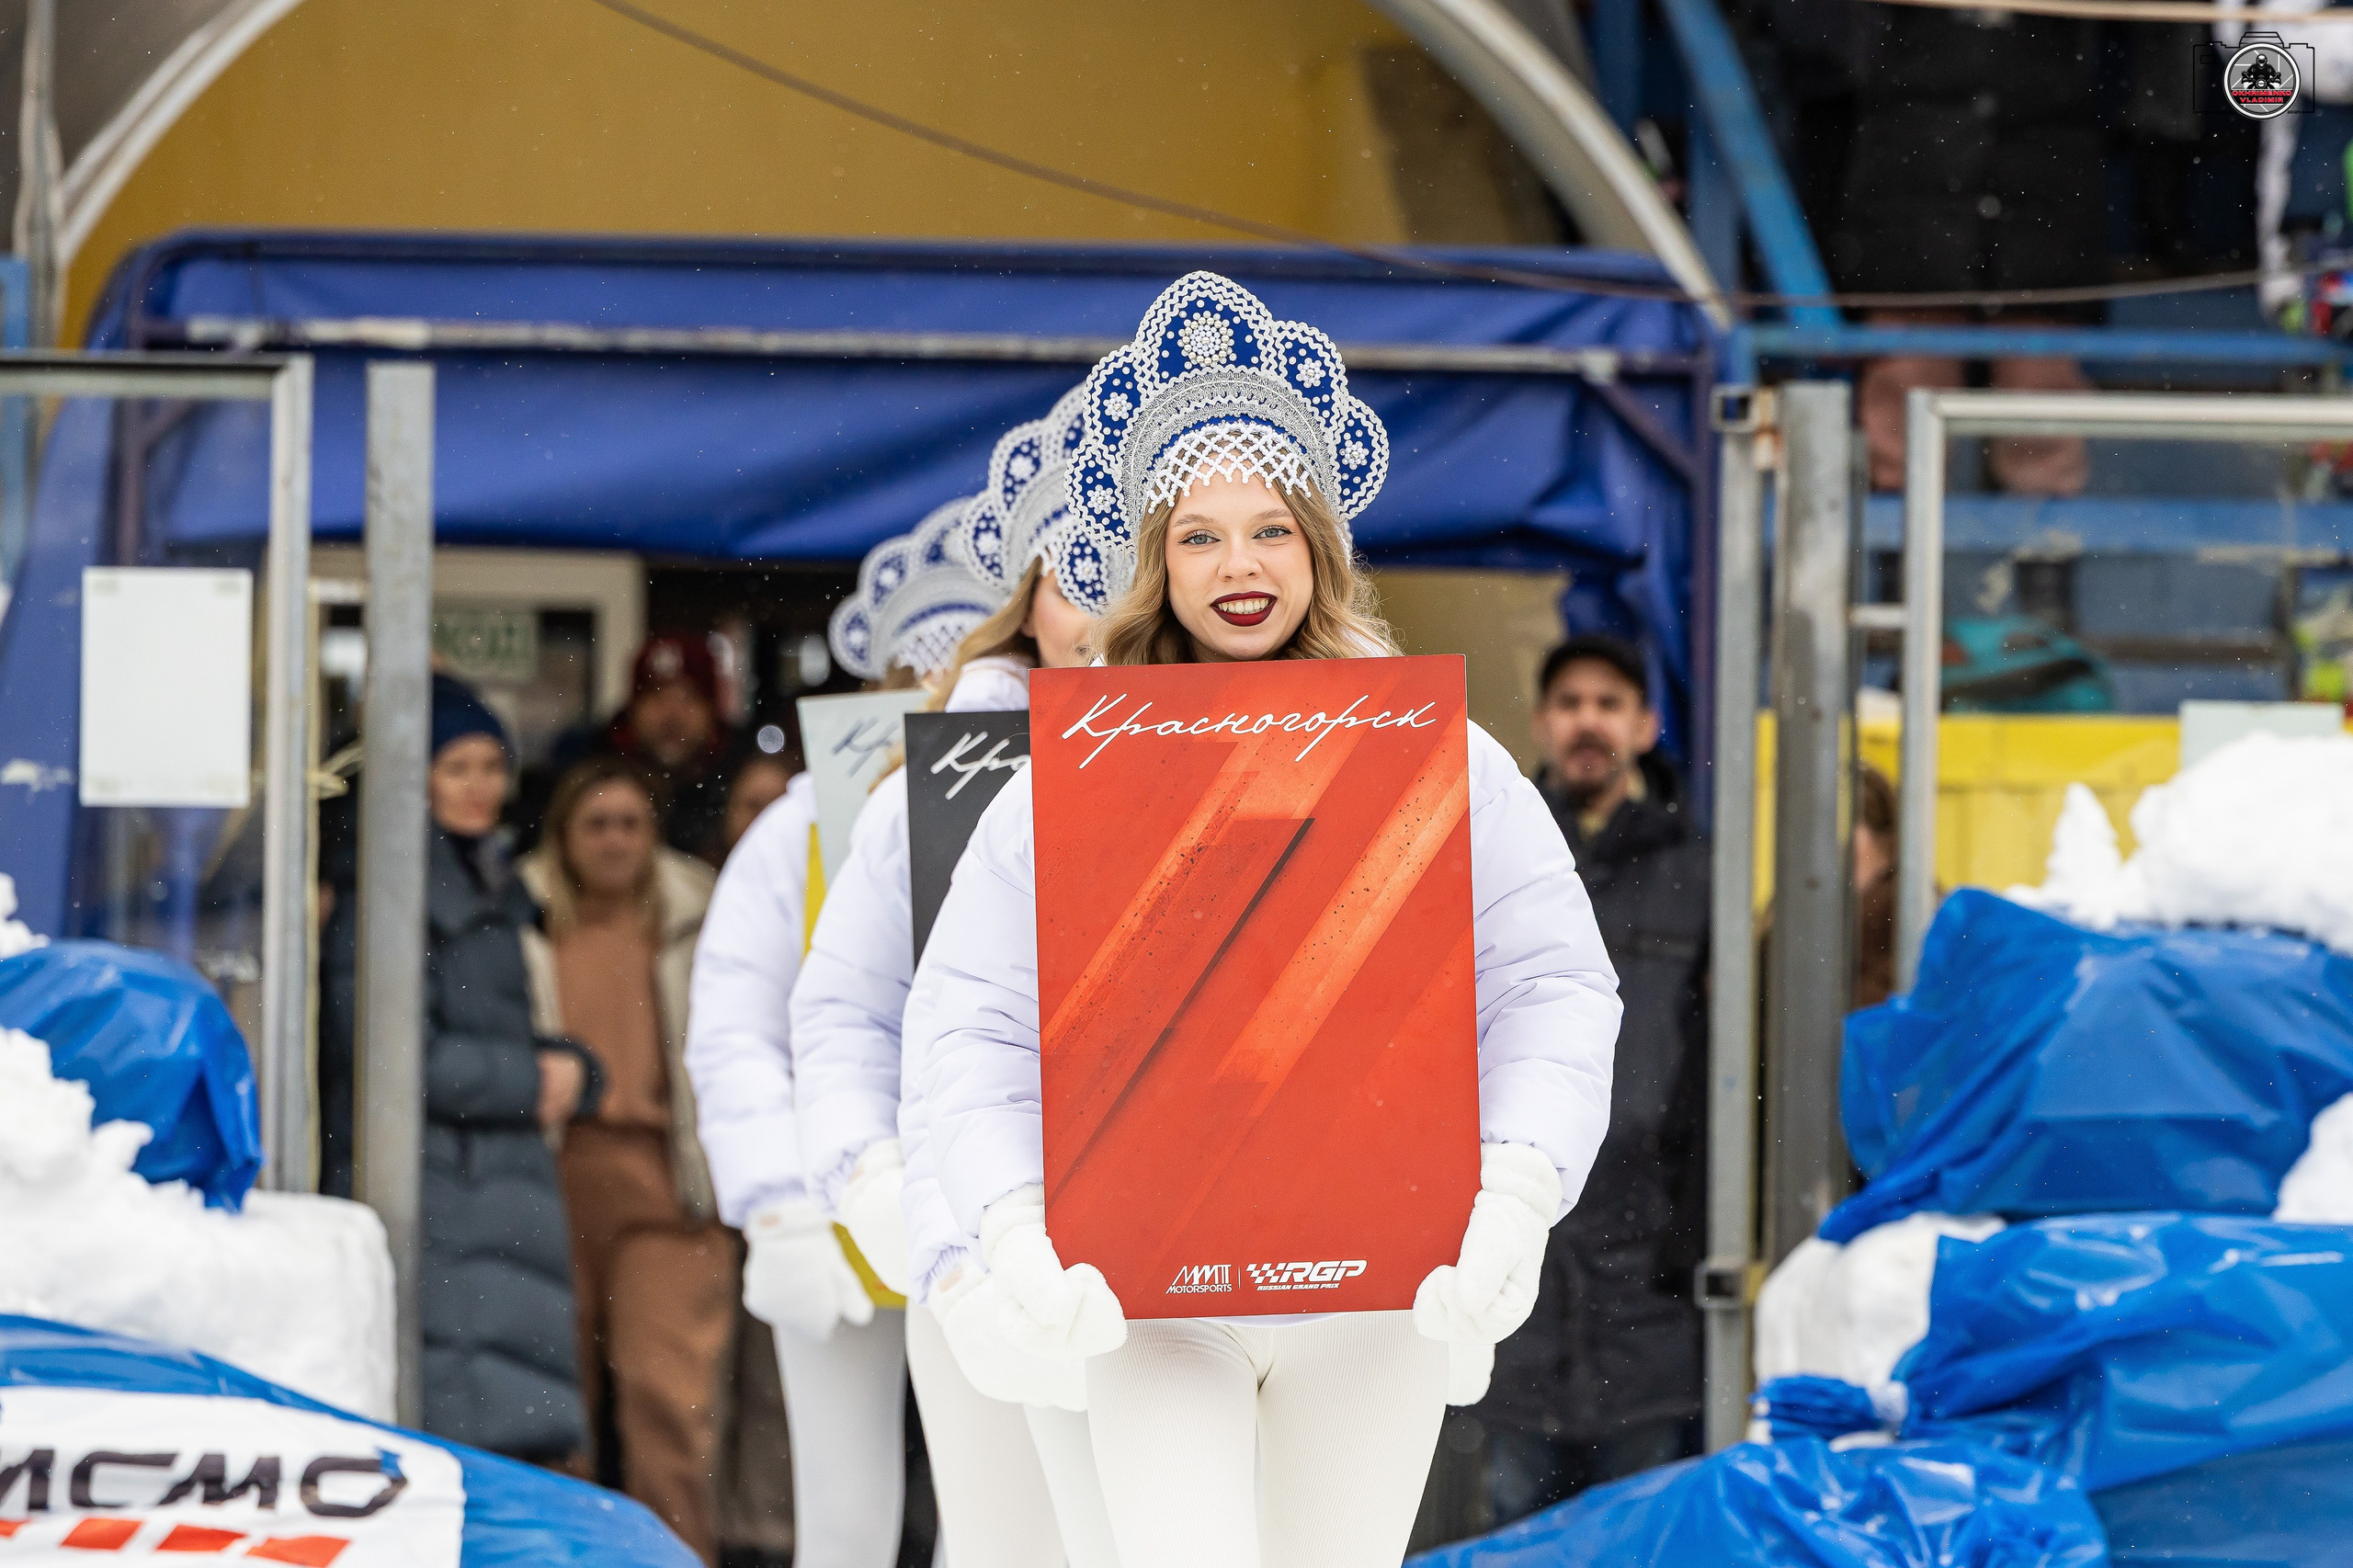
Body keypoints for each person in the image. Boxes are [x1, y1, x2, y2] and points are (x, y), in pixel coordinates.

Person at [908, 273, 1622, 1568]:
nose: (1238, 565)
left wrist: (1516, 1188)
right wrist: (1006, 1226)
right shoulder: (1068, 779)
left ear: (1319, 549)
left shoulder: (1441, 762)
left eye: (1270, 530)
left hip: (1372, 1293)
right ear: (1154, 561)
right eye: (1199, 535)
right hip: (1148, 1295)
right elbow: (969, 1023)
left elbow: (1553, 984)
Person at [792, 392, 1120, 1568]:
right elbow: (843, 1010)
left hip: (1179, 1250)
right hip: (979, 1242)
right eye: (1074, 575)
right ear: (1027, 599)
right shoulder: (936, 787)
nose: (1100, 608)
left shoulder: (1258, 759)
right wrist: (882, 1190)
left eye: (1128, 570)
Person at [1475, 635, 1710, 1523]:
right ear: (1541, 723)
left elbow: (1724, 1076)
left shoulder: (1699, 874)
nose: (1588, 722)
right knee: (1514, 1526)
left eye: (1609, 705)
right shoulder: (1496, 862)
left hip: (1648, 1266)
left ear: (1646, 727)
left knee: (1638, 1533)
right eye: (1570, 703)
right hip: (1517, 1241)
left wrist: (1691, 1240)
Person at [517, 756, 731, 1562]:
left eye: (631, 824)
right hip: (551, 1186)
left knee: (670, 1404)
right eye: (596, 825)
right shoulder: (522, 915)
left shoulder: (700, 914)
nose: (614, 842)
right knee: (549, 1405)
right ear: (563, 836)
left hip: (669, 1191)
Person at [419, 673, 603, 1460]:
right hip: (448, 1187)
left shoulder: (491, 879)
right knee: (472, 1420)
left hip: (488, 1181)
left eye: (492, 766)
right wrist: (535, 1080)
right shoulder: (399, 891)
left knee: (503, 1410)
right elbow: (397, 1060)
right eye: (457, 767)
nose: (479, 786)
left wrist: (576, 1070)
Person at [533, 634, 750, 865]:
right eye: (656, 695)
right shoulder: (582, 770)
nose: (672, 714)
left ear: (712, 710)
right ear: (633, 708)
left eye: (689, 697)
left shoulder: (744, 778)